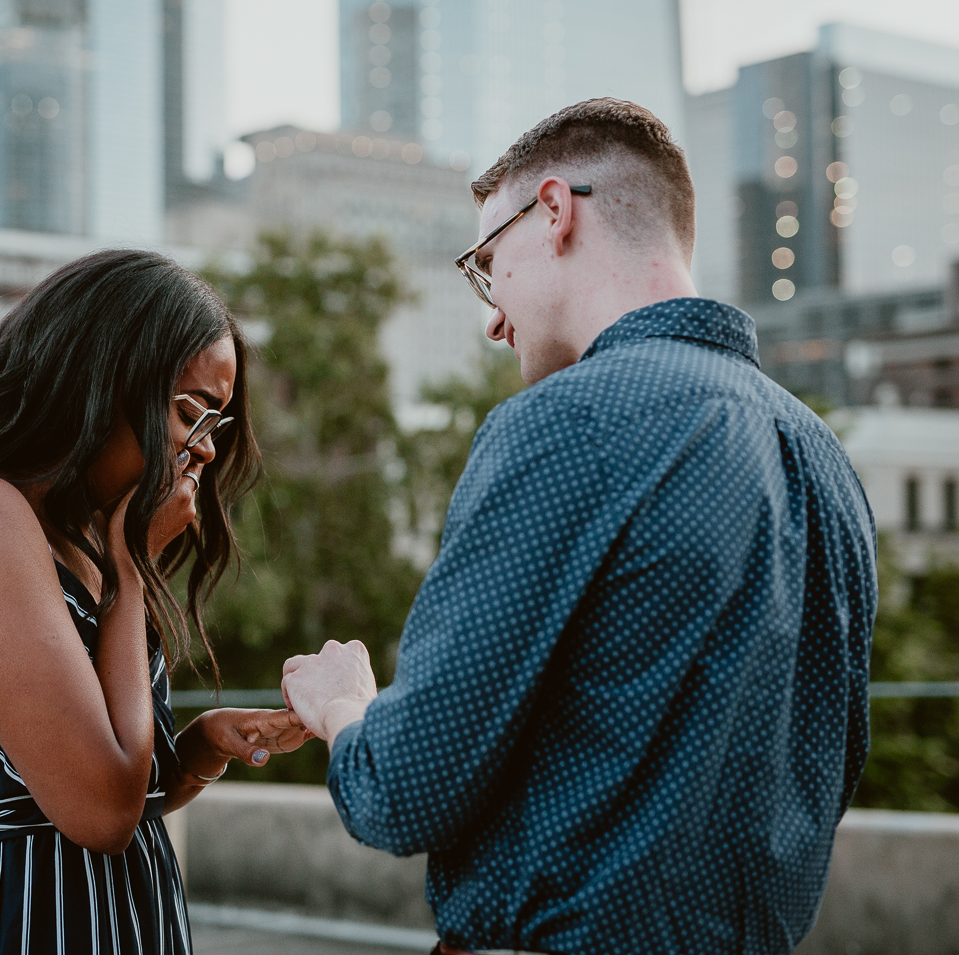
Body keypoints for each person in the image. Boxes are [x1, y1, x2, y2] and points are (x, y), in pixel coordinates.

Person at [281, 99, 877, 955]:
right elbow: (828, 763)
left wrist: (346, 713)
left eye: (489, 263)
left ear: (555, 211)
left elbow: (404, 790)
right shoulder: (825, 462)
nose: (491, 314)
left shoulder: (566, 423)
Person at [0, 249, 313, 954]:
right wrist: (133, 569)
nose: (203, 452)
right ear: (102, 383)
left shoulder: (81, 537)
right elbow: (101, 812)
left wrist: (197, 752)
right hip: (15, 923)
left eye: (215, 426)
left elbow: (110, 789)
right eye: (189, 414)